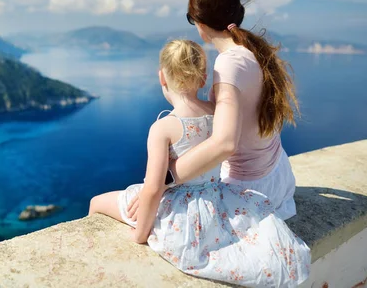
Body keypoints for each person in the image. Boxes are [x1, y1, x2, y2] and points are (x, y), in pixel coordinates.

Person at [88, 39, 310, 287]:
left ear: (162, 77)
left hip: (178, 212)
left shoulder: (162, 128)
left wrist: (140, 234)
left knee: (96, 202)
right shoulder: (217, 114)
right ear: (203, 78)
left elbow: (153, 188)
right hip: (215, 201)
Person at [128, 0, 300, 222]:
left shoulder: (228, 63)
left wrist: (164, 179)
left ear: (199, 21)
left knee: (149, 203)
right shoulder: (252, 51)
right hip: (277, 177)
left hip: (249, 191)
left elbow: (225, 143)